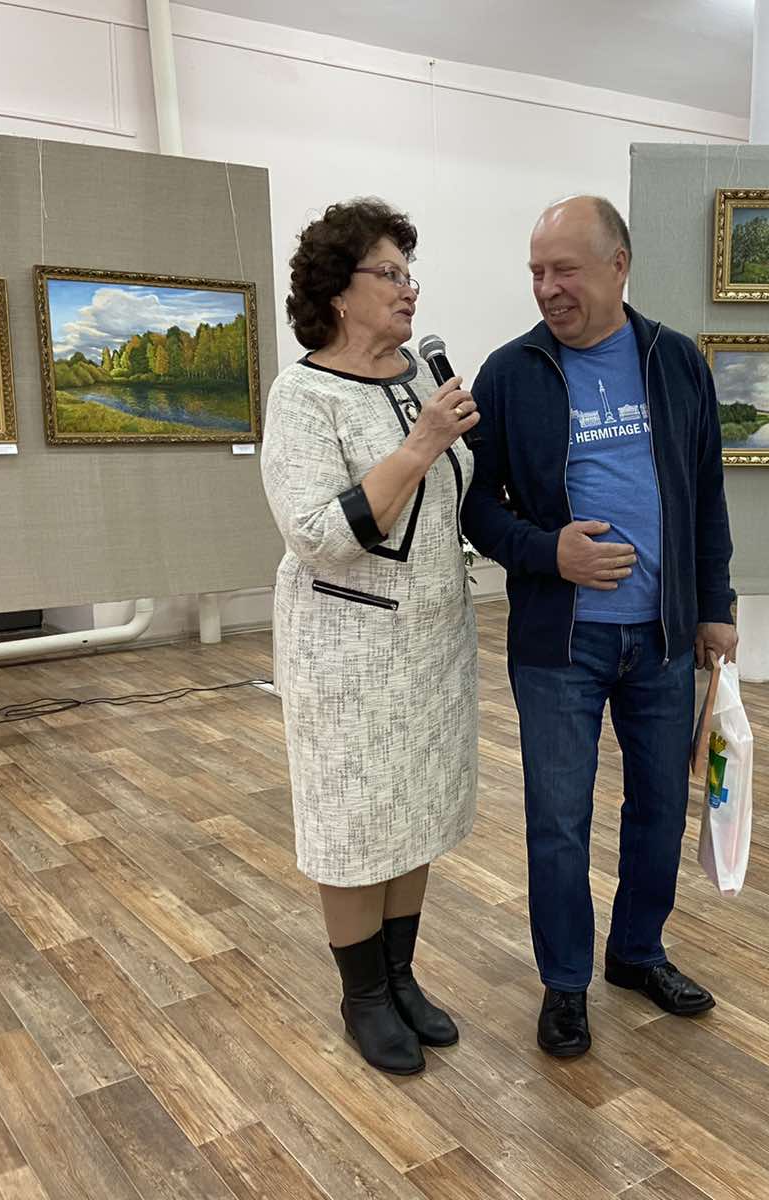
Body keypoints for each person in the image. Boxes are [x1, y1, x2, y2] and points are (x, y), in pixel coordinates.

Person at [461, 195, 737, 1058]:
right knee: (558, 819)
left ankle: (638, 951)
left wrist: (717, 605)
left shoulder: (675, 360)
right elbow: (476, 507)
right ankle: (565, 983)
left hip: (662, 635)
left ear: (618, 266)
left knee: (660, 805)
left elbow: (706, 490)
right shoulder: (510, 373)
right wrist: (550, 552)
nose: (548, 288)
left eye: (565, 270)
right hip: (561, 643)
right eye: (537, 272)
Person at [261, 198, 480, 1076]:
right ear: (339, 293)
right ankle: (362, 997)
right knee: (355, 818)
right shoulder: (303, 395)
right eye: (389, 273)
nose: (407, 288)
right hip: (346, 653)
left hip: (432, 641)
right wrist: (422, 445)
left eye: (409, 273)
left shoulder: (419, 378)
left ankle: (400, 977)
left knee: (415, 808)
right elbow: (316, 533)